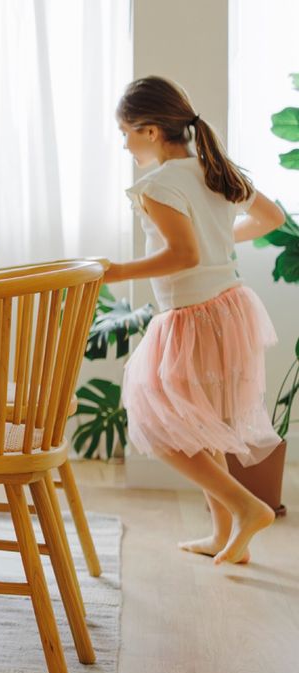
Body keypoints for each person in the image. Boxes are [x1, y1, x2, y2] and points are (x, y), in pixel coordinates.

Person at [108, 75, 285, 565]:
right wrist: (220, 240)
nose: (123, 144)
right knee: (202, 426)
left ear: (149, 131)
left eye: (124, 133)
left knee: (157, 425)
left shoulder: (157, 184)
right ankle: (223, 532)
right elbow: (271, 218)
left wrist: (118, 271)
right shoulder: (212, 168)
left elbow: (183, 255)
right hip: (228, 308)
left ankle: (246, 507)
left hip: (191, 318)